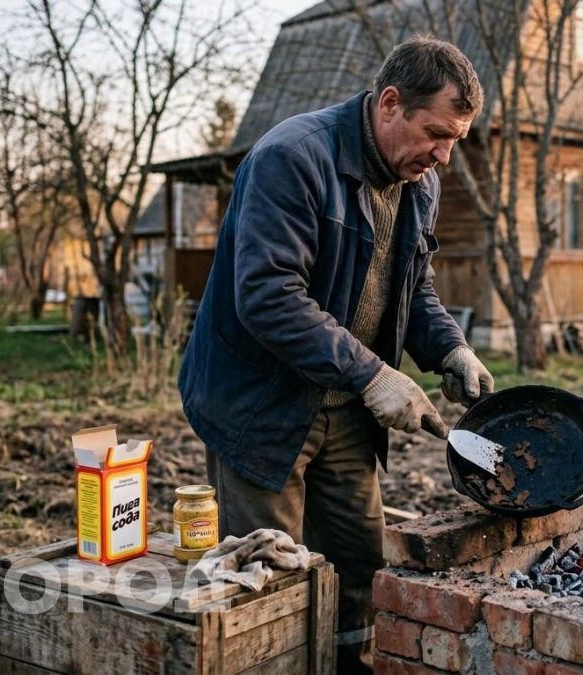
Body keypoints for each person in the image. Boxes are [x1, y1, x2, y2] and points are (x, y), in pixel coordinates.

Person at [178, 36, 494, 673]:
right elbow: (267, 296)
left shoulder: (419, 183)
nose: (443, 156)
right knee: (269, 579)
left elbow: (412, 286)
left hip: (346, 405)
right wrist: (375, 374)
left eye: (455, 140)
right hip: (259, 405)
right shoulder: (293, 157)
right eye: (436, 133)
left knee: (358, 567)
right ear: (389, 102)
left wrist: (450, 348)